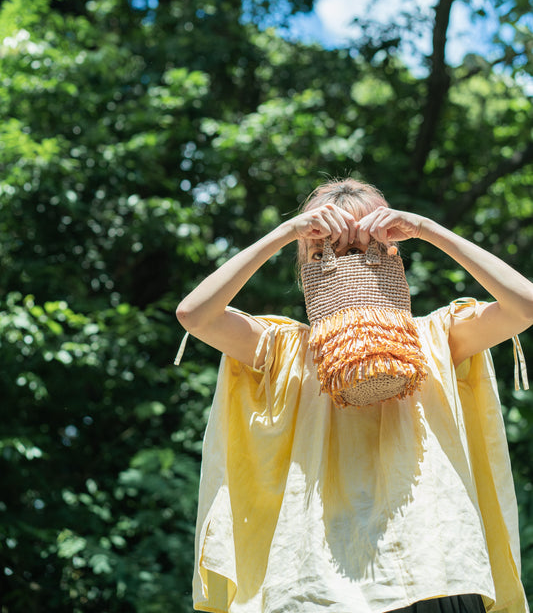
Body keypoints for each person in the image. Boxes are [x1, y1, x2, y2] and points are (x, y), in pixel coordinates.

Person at [176, 178, 533, 613]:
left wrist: (427, 228)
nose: (350, 263)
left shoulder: (437, 337)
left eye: (367, 248)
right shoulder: (283, 348)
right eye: (330, 250)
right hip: (318, 584)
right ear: (306, 262)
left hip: (432, 571)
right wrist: (286, 232)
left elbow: (525, 307)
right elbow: (194, 314)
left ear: (394, 254)